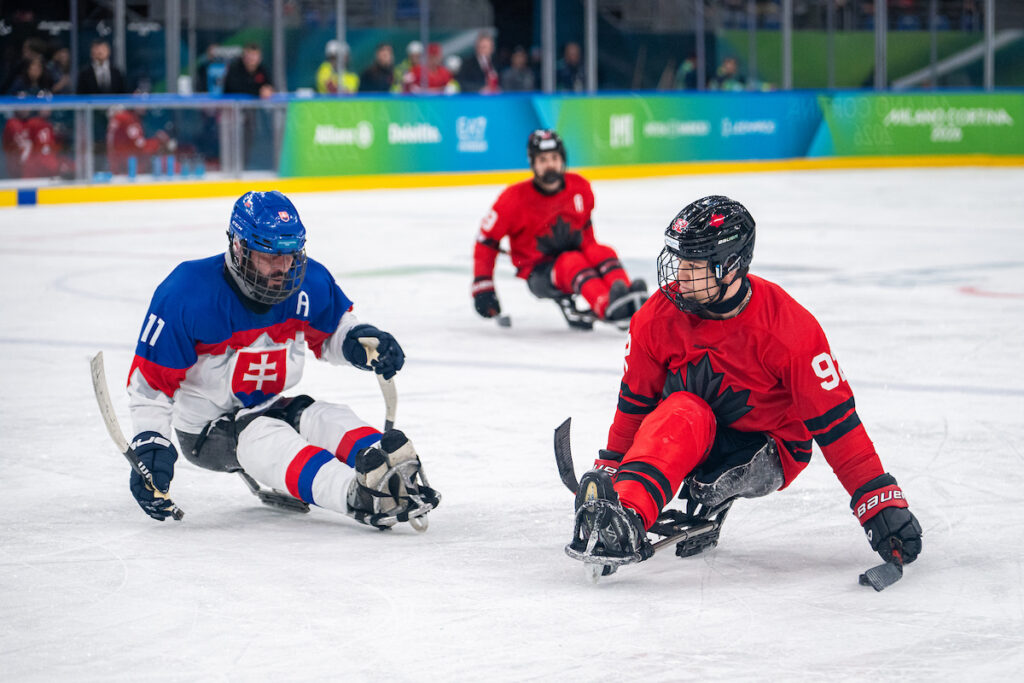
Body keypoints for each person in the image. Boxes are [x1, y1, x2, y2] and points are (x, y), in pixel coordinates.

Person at [565, 195, 923, 574]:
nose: (678, 275)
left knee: (702, 454)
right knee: (681, 410)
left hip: (769, 444)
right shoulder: (656, 317)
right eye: (679, 261)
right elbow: (635, 402)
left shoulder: (790, 330)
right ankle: (626, 520)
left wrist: (878, 501)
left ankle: (688, 489)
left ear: (730, 267)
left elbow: (836, 425)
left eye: (693, 265)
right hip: (692, 424)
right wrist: (612, 476)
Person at [125, 191, 440, 529]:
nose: (284, 267)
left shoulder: (308, 282)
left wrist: (360, 341)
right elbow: (151, 386)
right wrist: (151, 444)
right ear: (239, 248)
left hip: (272, 404)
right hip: (207, 430)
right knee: (266, 435)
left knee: (327, 416)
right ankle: (354, 493)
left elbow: (334, 330)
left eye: (291, 254)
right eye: (270, 256)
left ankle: (390, 470)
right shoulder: (187, 293)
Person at [472, 129, 648, 326]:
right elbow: (486, 241)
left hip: (576, 258)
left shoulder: (580, 187)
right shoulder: (512, 199)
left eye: (554, 158)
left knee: (603, 251)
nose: (550, 165)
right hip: (538, 273)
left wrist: (593, 254)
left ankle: (627, 298)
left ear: (562, 158)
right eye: (543, 160)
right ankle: (607, 306)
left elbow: (586, 233)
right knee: (571, 261)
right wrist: (483, 285)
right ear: (533, 163)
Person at [106, 106, 174, 175]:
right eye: (141, 103)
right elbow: (141, 147)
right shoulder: (126, 118)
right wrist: (159, 141)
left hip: (120, 166)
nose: (144, 107)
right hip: (125, 169)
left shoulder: (123, 117)